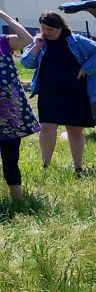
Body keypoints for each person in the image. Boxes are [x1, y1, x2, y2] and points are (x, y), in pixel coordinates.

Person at [21, 11, 96, 175]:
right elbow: (26, 63)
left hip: (75, 91)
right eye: (43, 28)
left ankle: (78, 168)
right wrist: (36, 46)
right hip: (49, 91)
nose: (46, 32)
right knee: (46, 127)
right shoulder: (40, 42)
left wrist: (86, 68)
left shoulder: (76, 41)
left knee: (74, 129)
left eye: (50, 29)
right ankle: (46, 166)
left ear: (60, 27)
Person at [0, 10, 38, 201]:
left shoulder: (3, 42)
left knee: (10, 157)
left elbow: (27, 39)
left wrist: (4, 17)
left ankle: (17, 200)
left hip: (8, 111)